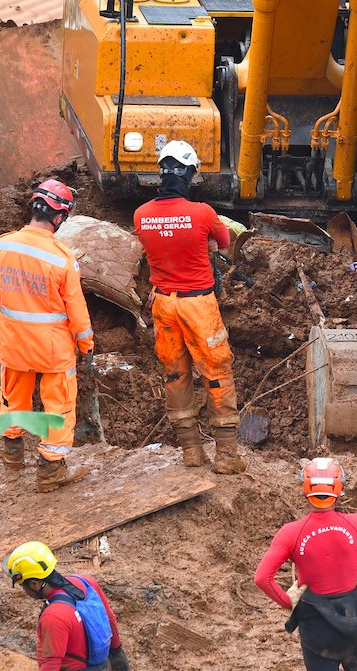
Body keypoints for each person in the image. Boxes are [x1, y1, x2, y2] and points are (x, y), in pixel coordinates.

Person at [132, 141, 245, 474]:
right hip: (198, 305)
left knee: (176, 375)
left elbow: (151, 241)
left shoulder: (141, 215)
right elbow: (225, 243)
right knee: (216, 373)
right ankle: (225, 456)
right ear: (189, 175)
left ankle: (191, 453)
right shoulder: (203, 213)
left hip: (163, 304)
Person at [0, 179, 94, 491]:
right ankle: (50, 471)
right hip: (52, 350)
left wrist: (5, 330)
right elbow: (77, 311)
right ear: (59, 216)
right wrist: (86, 346)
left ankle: (12, 457)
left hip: (13, 344)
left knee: (13, 399)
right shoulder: (61, 257)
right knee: (58, 407)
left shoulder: (2, 245)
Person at [254, 458, 357, 671]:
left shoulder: (290, 533)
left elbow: (262, 578)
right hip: (354, 622)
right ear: (340, 490)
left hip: (316, 629)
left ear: (304, 489)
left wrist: (287, 601)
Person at [3, 541, 129, 671]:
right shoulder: (85, 582)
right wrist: (117, 654)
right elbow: (110, 619)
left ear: (34, 584)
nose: (24, 590)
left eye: (23, 586)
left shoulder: (54, 616)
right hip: (103, 665)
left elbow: (51, 665)